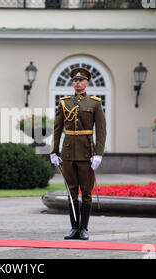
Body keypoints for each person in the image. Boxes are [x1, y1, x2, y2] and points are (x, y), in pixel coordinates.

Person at [50, 68, 106, 240]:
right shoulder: (64, 103)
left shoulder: (95, 103)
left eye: (81, 80)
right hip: (67, 153)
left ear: (87, 83)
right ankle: (74, 228)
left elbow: (102, 130)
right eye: (75, 80)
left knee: (86, 192)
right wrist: (54, 151)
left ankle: (84, 228)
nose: (78, 83)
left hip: (86, 152)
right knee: (71, 191)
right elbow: (57, 129)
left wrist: (98, 153)